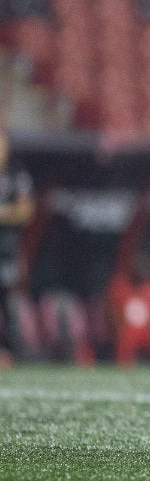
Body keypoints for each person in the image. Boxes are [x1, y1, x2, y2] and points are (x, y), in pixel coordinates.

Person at [0, 129, 35, 369]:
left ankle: (12, 354)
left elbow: (25, 211)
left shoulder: (16, 175)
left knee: (8, 304)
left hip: (5, 251)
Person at [106, 251, 150, 368]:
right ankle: (124, 371)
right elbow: (111, 313)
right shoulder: (120, 286)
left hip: (149, 330)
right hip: (128, 330)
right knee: (124, 343)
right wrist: (117, 330)